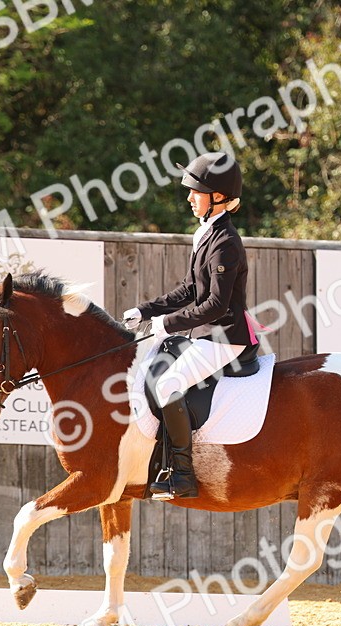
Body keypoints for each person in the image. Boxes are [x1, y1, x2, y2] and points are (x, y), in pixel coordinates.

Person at [122, 152, 257, 500]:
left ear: (219, 197)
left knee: (168, 385)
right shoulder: (206, 235)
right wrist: (145, 311)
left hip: (226, 337)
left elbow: (216, 305)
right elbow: (189, 290)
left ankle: (182, 474)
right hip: (205, 334)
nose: (189, 198)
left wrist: (168, 323)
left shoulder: (226, 242)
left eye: (195, 191)